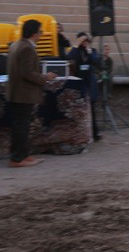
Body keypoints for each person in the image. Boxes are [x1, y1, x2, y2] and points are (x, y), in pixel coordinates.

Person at [6, 19, 58, 167]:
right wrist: (45, 77)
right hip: (24, 94)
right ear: (35, 33)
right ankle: (17, 158)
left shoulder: (17, 45)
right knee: (21, 126)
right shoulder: (26, 48)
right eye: (40, 31)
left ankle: (23, 154)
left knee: (22, 125)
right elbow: (27, 73)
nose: (41, 34)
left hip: (19, 93)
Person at [67, 32, 102, 141]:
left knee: (91, 108)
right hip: (78, 82)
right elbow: (69, 57)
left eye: (86, 40)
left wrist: (89, 50)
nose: (84, 43)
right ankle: (80, 134)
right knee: (79, 109)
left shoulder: (92, 51)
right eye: (82, 41)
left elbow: (97, 62)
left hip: (89, 82)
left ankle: (94, 133)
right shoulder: (76, 51)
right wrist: (76, 45)